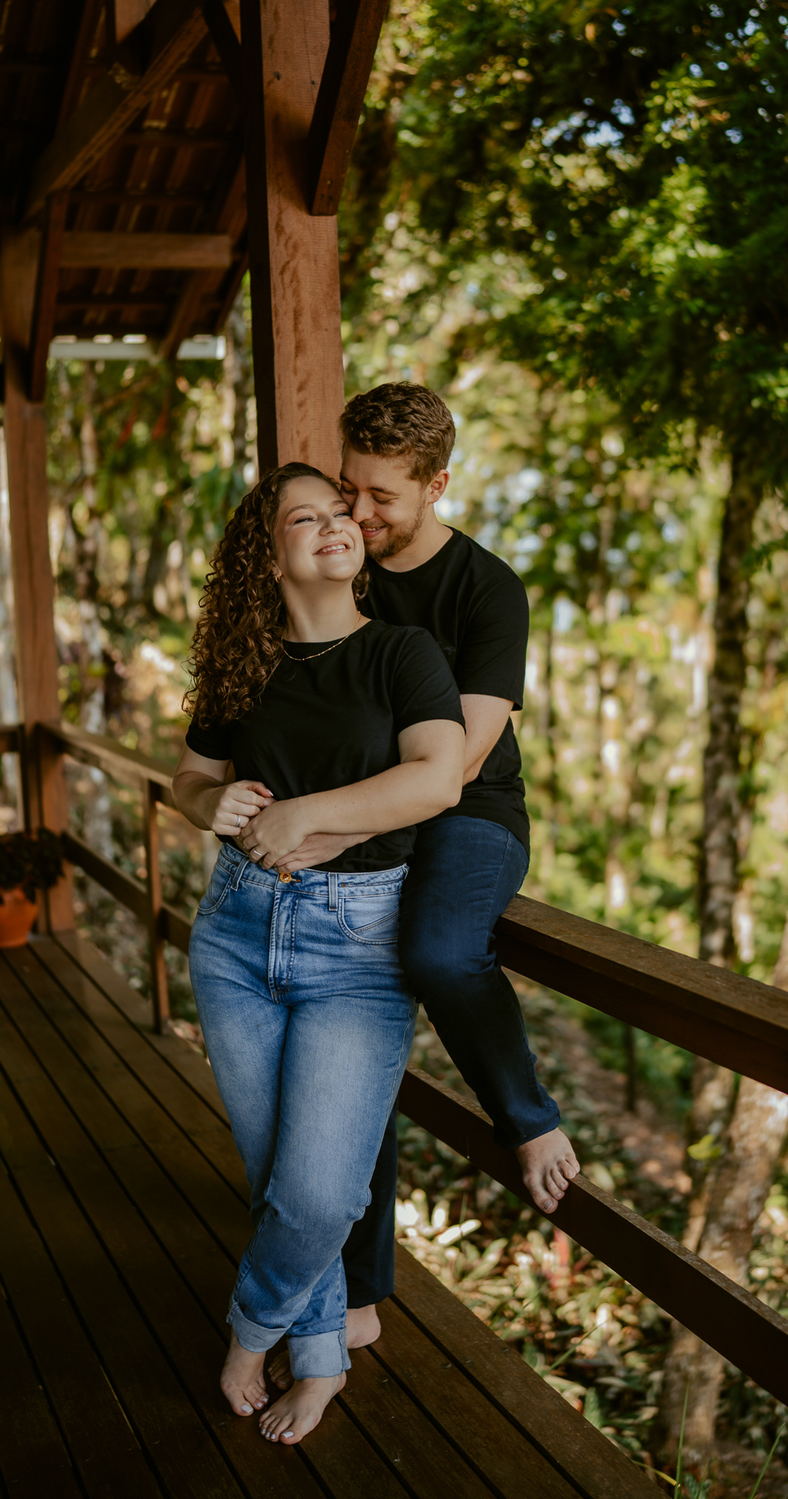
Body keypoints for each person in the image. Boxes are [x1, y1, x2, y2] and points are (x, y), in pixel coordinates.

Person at [252, 382, 579, 1373]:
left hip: (469, 813)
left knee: (437, 949)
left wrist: (331, 822)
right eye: (350, 489)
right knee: (356, 1033)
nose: (359, 514)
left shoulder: (488, 591)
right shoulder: (347, 559)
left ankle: (524, 1117)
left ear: (440, 483)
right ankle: (355, 1292)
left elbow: (464, 759)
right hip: (358, 812)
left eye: (384, 497)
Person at [173, 462, 465, 1444]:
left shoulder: (403, 654)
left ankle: (253, 1331)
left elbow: (435, 782)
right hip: (235, 934)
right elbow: (190, 776)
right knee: (277, 1182)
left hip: (360, 946)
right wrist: (202, 801)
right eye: (306, 517)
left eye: (344, 512)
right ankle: (327, 1359)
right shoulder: (243, 667)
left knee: (323, 1188)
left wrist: (303, 814)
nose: (336, 525)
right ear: (272, 554)